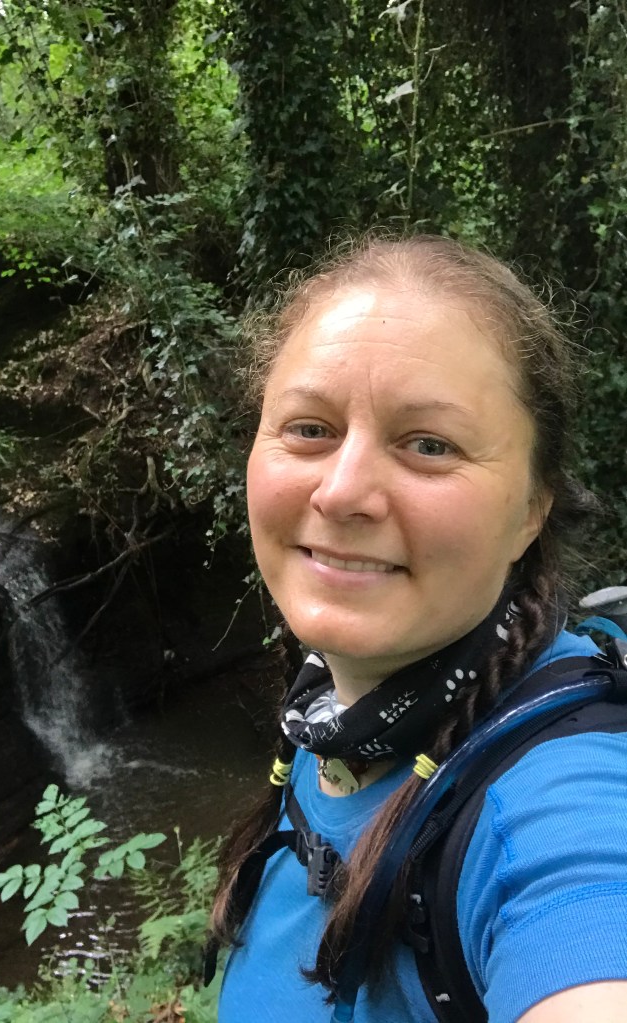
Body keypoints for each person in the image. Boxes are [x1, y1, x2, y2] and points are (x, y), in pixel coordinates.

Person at [210, 235, 627, 1022]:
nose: (341, 492)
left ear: (532, 509)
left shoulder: (555, 808)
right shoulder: (327, 720)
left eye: (429, 445)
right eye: (308, 428)